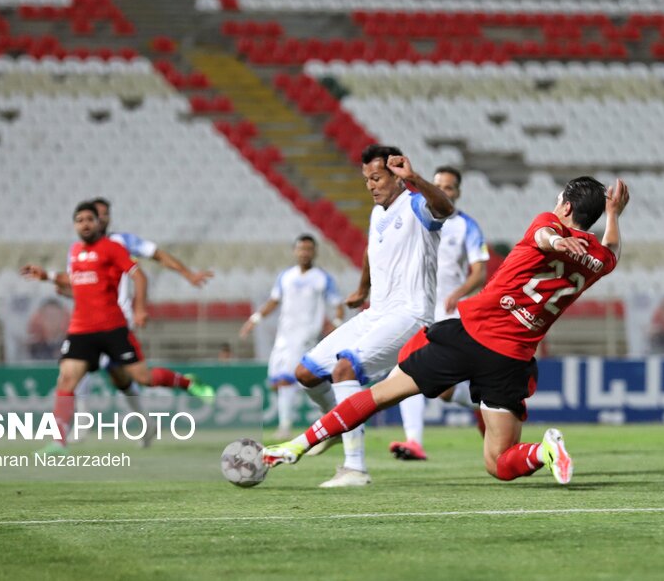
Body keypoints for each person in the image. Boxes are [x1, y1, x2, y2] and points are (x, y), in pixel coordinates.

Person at [264, 176, 629, 486]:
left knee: (380, 394)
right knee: (499, 463)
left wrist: (557, 240)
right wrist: (612, 215)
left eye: (559, 200)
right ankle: (543, 451)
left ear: (566, 207)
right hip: (512, 359)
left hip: (471, 335)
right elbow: (610, 246)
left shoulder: (549, 223)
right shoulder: (599, 260)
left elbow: (547, 235)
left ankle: (295, 446)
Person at [290, 145, 454, 487]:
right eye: (367, 179)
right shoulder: (378, 213)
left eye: (376, 178)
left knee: (344, 369)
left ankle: (355, 468)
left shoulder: (416, 204)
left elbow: (445, 208)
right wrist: (363, 288)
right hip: (376, 312)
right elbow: (371, 249)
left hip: (411, 315)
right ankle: (333, 423)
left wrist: (416, 179)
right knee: (305, 372)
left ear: (397, 176)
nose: (371, 185)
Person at [22, 203, 214, 453]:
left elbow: (148, 265)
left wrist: (142, 307)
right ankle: (60, 440)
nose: (90, 222)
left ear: (105, 219)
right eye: (82, 219)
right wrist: (48, 276)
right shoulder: (76, 251)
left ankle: (183, 384)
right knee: (70, 378)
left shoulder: (119, 244)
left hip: (115, 323)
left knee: (135, 379)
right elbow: (78, 279)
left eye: (95, 217)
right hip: (82, 328)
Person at [391, 165, 489, 461]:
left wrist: (458, 294)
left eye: (448, 187)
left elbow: (480, 272)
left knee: (443, 390)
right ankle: (414, 441)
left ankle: (487, 403)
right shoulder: (418, 217)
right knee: (406, 368)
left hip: (451, 315)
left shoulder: (466, 226)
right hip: (418, 309)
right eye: (438, 185)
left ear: (457, 192)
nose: (443, 191)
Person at [239, 234, 345, 439]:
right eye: (301, 249)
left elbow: (337, 305)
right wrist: (255, 319)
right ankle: (330, 416)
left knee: (289, 379)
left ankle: (286, 426)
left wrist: (337, 325)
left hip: (306, 336)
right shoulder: (285, 276)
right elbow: (274, 301)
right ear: (295, 251)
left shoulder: (322, 278)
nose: (304, 253)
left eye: (308, 249)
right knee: (279, 381)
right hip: (284, 336)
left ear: (314, 252)